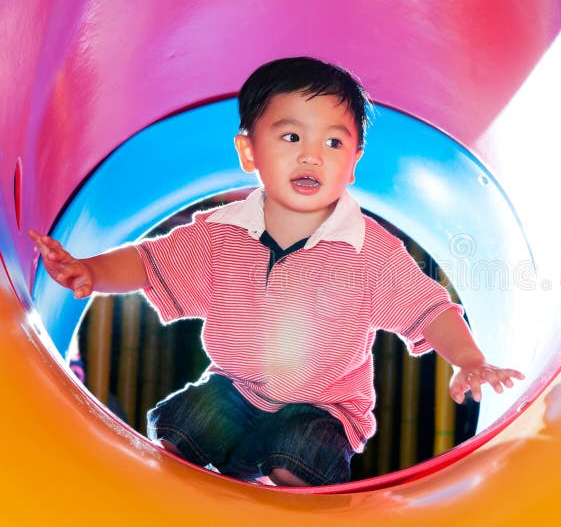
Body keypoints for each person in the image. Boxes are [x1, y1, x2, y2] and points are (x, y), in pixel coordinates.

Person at [28, 56, 524, 487]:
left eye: (333, 142)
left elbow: (429, 309)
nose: (311, 154)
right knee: (180, 427)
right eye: (291, 136)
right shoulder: (222, 234)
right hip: (235, 391)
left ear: (353, 164)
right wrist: (89, 270)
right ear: (248, 152)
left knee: (300, 453)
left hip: (322, 410)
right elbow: (147, 262)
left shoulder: (368, 251)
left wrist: (468, 358)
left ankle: (283, 494)